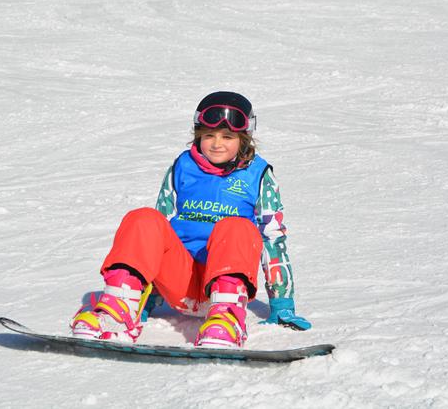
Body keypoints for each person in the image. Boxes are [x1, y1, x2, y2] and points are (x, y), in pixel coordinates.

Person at [71, 91, 311, 348]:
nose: (217, 144)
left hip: (226, 281)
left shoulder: (258, 174)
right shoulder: (183, 166)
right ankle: (118, 313)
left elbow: (272, 238)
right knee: (144, 219)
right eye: (209, 136)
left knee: (237, 226)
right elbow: (157, 231)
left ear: (243, 139)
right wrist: (146, 298)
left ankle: (226, 321)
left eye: (227, 137)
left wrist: (282, 303)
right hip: (180, 282)